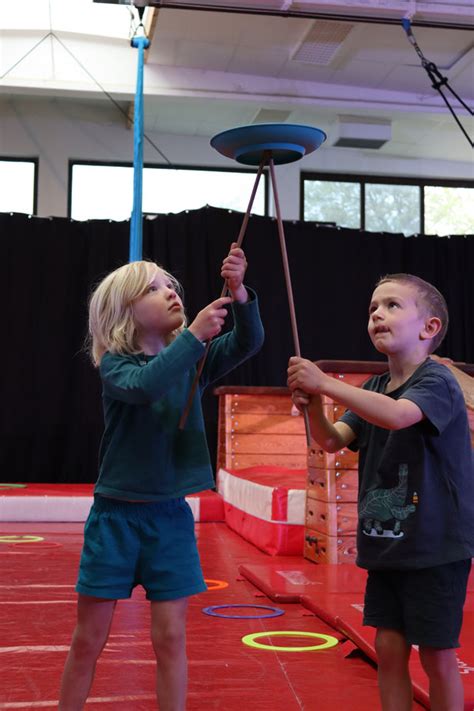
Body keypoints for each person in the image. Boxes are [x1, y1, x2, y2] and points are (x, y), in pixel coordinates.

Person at [58, 243, 264, 711]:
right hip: (115, 520)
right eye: (154, 288)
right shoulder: (117, 365)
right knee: (89, 639)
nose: (170, 291)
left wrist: (240, 294)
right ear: (123, 314)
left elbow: (249, 342)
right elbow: (146, 386)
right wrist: (193, 337)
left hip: (170, 518)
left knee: (171, 638)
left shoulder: (192, 359)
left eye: (171, 284)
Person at [287, 273, 473, 711]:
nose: (377, 314)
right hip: (388, 545)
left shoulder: (437, 382)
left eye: (391, 306)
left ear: (429, 328)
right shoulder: (372, 388)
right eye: (373, 308)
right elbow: (331, 440)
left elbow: (397, 415)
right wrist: (313, 404)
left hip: (436, 546)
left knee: (436, 654)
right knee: (388, 650)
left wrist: (326, 383)